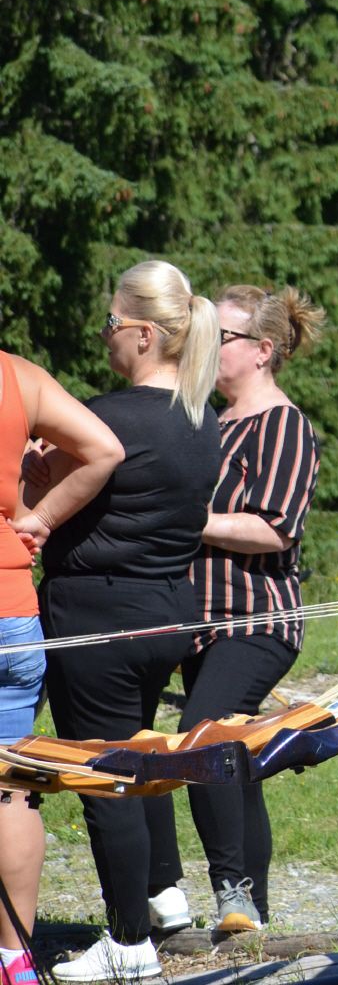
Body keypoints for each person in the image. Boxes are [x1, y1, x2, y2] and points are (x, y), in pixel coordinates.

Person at [29, 261, 222, 983]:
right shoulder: (203, 422)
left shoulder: (109, 416)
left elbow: (41, 483)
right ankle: (156, 904)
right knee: (136, 765)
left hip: (99, 615)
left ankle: (129, 944)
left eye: (111, 323)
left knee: (103, 774)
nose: (103, 335)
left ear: (145, 333)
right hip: (167, 610)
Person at [145, 285, 325, 936]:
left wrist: (190, 520)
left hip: (256, 621)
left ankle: (232, 892)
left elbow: (275, 529)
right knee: (235, 760)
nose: (203, 349)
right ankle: (254, 916)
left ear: (262, 350)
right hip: (200, 625)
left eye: (217, 338)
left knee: (205, 735)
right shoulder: (206, 422)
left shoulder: (284, 424)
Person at [0, 353, 124, 985]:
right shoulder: (15, 375)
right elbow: (103, 448)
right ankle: (15, 960)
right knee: (9, 786)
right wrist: (38, 519)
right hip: (12, 609)